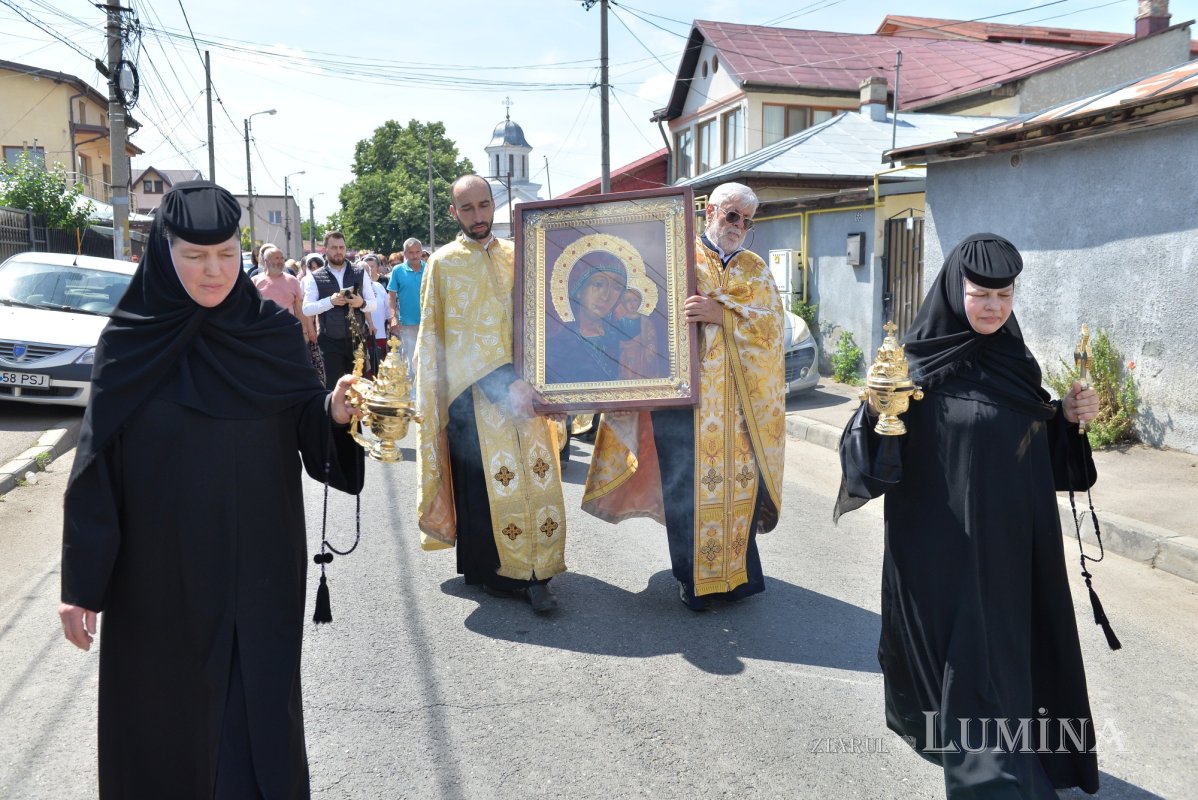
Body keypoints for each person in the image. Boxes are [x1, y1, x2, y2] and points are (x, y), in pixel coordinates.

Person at [57, 180, 365, 798]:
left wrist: (331, 412)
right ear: (163, 253)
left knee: (256, 718)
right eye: (195, 256)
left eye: (226, 254)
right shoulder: (129, 340)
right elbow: (97, 464)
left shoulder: (271, 333)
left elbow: (303, 420)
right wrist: (81, 586)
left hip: (261, 565)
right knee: (164, 722)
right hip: (157, 577)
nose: (213, 271)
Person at [834, 233, 1103, 798]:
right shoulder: (912, 364)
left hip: (1011, 545)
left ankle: (1014, 767)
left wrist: (1067, 419)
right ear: (957, 291)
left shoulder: (1013, 358)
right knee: (967, 667)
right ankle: (992, 780)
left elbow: (1030, 439)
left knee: (1006, 658)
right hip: (940, 550)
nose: (993, 307)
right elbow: (872, 467)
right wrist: (874, 415)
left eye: (1004, 296)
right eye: (981, 294)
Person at [581, 182, 786, 610]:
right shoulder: (675, 255)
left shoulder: (755, 269)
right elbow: (640, 315)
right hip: (683, 401)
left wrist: (722, 315)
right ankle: (693, 578)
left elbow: (771, 330)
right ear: (709, 211)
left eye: (748, 220)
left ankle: (738, 577)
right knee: (687, 488)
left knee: (739, 487)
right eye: (732, 216)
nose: (740, 226)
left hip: (739, 405)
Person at [415, 174, 566, 614]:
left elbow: (541, 321)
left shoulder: (519, 256)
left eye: (484, 206)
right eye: (468, 209)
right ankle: (494, 572)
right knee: (487, 486)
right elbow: (444, 341)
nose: (478, 217)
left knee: (534, 475)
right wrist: (501, 382)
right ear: (453, 213)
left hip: (527, 389)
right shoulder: (442, 264)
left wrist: (548, 381)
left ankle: (539, 570)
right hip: (473, 399)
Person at [301, 231, 375, 389]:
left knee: (359, 388)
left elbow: (372, 303)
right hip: (330, 341)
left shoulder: (359, 272)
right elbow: (307, 309)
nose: (338, 251)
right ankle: (334, 415)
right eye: (334, 247)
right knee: (334, 389)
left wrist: (361, 303)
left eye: (341, 247)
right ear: (325, 249)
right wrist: (330, 301)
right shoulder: (315, 277)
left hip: (357, 338)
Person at [545, 253, 629, 383]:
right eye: (598, 284)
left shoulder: (623, 340)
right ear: (579, 289)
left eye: (617, 288)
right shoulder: (557, 345)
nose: (606, 296)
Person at [387, 237, 426, 380]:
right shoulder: (398, 270)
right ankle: (413, 395)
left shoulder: (429, 269)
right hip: (407, 324)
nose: (415, 256)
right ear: (405, 253)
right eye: (411, 252)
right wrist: (393, 318)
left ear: (422, 252)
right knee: (412, 361)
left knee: (428, 360)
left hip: (428, 322)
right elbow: (391, 297)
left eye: (417, 252)